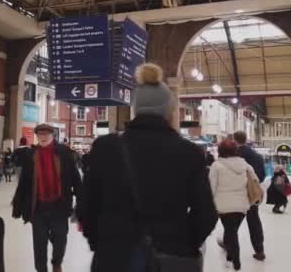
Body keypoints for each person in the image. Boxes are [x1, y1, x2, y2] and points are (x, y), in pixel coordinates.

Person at [81, 63, 217, 272]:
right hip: (172, 255)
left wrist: (100, 244)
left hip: (114, 256)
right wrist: (185, 244)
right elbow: (206, 212)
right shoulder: (189, 152)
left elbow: (87, 205)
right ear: (169, 110)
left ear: (135, 107)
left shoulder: (106, 148)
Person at [12, 123, 82, 272]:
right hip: (38, 207)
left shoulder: (63, 152)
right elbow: (24, 181)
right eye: (40, 135)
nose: (43, 137)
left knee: (60, 239)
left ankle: (56, 263)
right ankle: (41, 269)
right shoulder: (31, 154)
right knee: (39, 243)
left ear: (52, 136)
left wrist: (81, 198)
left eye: (46, 134)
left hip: (59, 205)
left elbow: (75, 177)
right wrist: (18, 205)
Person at [209, 139, 259, 271]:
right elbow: (255, 180)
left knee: (231, 233)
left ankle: (236, 262)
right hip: (242, 205)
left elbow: (212, 187)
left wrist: (210, 204)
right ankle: (230, 257)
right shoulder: (244, 164)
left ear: (220, 151)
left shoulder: (216, 165)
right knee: (232, 231)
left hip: (224, 206)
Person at [231, 131, 266, 261]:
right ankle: (259, 250)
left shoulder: (233, 156)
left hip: (237, 193)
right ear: (246, 139)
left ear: (235, 140)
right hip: (252, 195)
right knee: (254, 221)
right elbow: (261, 176)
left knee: (233, 221)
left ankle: (228, 243)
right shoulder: (257, 156)